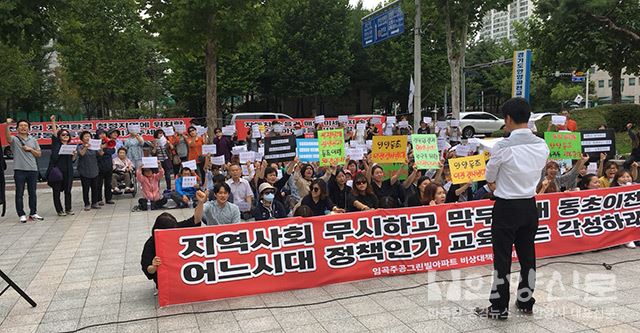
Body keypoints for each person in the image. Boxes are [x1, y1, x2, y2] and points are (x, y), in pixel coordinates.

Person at [475, 98, 549, 320]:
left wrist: (496, 184)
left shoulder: (503, 146)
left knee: (503, 259)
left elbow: (489, 176)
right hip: (529, 205)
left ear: (508, 118)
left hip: (506, 207)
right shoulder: (542, 145)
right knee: (528, 257)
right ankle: (526, 301)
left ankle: (499, 307)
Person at [141, 191, 205, 289]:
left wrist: (200, 202)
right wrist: (154, 266)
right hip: (165, 280)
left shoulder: (175, 228)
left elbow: (196, 219)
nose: (172, 234)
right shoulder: (150, 244)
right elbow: (148, 269)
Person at [4, 118, 43, 222]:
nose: (23, 127)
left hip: (32, 169)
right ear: (17, 128)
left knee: (32, 193)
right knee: (19, 193)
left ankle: (33, 213)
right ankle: (21, 214)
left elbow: (39, 154)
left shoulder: (33, 140)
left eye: (25, 126)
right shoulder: (14, 139)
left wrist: (30, 149)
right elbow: (7, 137)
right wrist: (7, 125)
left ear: (29, 128)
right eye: (21, 125)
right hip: (19, 170)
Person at [47, 115, 75, 216]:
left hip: (68, 171)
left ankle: (69, 208)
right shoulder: (56, 144)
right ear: (59, 136)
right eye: (63, 135)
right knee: (57, 191)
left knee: (68, 191)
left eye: (67, 134)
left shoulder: (70, 147)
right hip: (57, 171)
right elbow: (55, 133)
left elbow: (72, 161)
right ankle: (59, 210)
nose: (65, 136)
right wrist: (53, 121)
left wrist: (74, 155)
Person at [77, 130, 104, 211]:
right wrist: (86, 146)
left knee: (95, 187)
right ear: (82, 138)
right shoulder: (80, 146)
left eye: (89, 136)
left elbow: (101, 154)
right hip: (84, 170)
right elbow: (81, 153)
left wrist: (99, 148)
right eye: (86, 136)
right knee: (86, 188)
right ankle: (87, 203)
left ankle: (94, 202)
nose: (88, 138)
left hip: (94, 169)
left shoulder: (94, 147)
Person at [96, 129, 115, 205]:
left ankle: (109, 198)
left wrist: (104, 150)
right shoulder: (95, 143)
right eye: (100, 134)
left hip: (108, 165)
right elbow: (96, 154)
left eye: (103, 133)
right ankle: (99, 199)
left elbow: (112, 151)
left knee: (108, 183)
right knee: (99, 184)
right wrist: (102, 147)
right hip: (99, 166)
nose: (102, 135)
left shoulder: (109, 141)